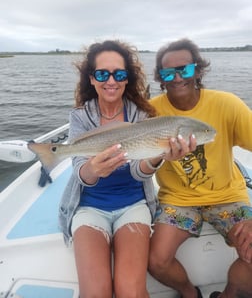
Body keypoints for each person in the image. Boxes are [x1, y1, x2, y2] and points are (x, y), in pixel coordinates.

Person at [58, 40, 195, 298]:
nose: (111, 81)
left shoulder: (141, 116)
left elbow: (137, 172)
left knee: (130, 291)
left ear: (127, 78)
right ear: (92, 78)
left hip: (133, 205)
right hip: (89, 206)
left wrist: (158, 157)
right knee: (95, 293)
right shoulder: (79, 116)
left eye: (119, 74)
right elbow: (80, 174)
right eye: (102, 74)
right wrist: (94, 169)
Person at [148, 38, 252, 298]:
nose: (177, 77)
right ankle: (189, 292)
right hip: (178, 200)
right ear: (160, 77)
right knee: (156, 261)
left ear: (199, 70)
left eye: (185, 69)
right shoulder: (150, 112)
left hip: (228, 197)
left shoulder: (227, 104)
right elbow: (138, 160)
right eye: (168, 72)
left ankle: (228, 294)